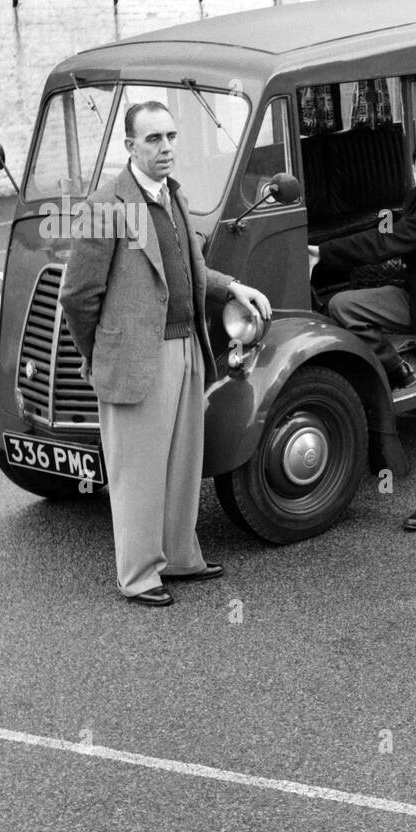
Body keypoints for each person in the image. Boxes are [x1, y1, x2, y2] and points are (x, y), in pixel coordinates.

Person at [59, 101, 271, 607]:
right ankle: (138, 575)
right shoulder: (105, 205)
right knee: (138, 470)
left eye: (171, 137)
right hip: (138, 357)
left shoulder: (172, 195)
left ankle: (179, 557)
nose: (166, 148)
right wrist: (101, 354)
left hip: (186, 346)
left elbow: (188, 267)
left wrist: (230, 287)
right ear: (129, 146)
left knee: (181, 463)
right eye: (153, 139)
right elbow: (77, 296)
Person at [320, 137, 416, 531]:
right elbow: (389, 229)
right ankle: (400, 369)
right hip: (414, 295)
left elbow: (389, 241)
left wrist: (323, 253)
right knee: (343, 306)